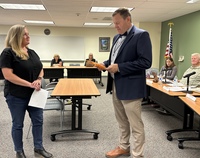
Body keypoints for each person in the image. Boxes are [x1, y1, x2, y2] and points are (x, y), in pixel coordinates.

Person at [98, 8, 152, 158]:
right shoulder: (116, 37)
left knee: (135, 124)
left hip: (132, 87)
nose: (115, 26)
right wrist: (104, 64)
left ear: (128, 19)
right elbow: (115, 60)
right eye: (114, 23)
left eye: (118, 23)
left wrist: (120, 67)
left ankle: (137, 154)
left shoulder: (141, 35)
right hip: (116, 85)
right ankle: (123, 146)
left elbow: (145, 62)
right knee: (121, 121)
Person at [0, 24, 53, 158]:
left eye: (28, 33)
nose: (28, 36)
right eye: (25, 34)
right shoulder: (8, 53)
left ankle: (38, 148)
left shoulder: (32, 52)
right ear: (16, 36)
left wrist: (39, 79)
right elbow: (8, 75)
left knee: (38, 121)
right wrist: (29, 84)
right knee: (18, 124)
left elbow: (40, 68)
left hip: (34, 94)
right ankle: (19, 151)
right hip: (16, 95)